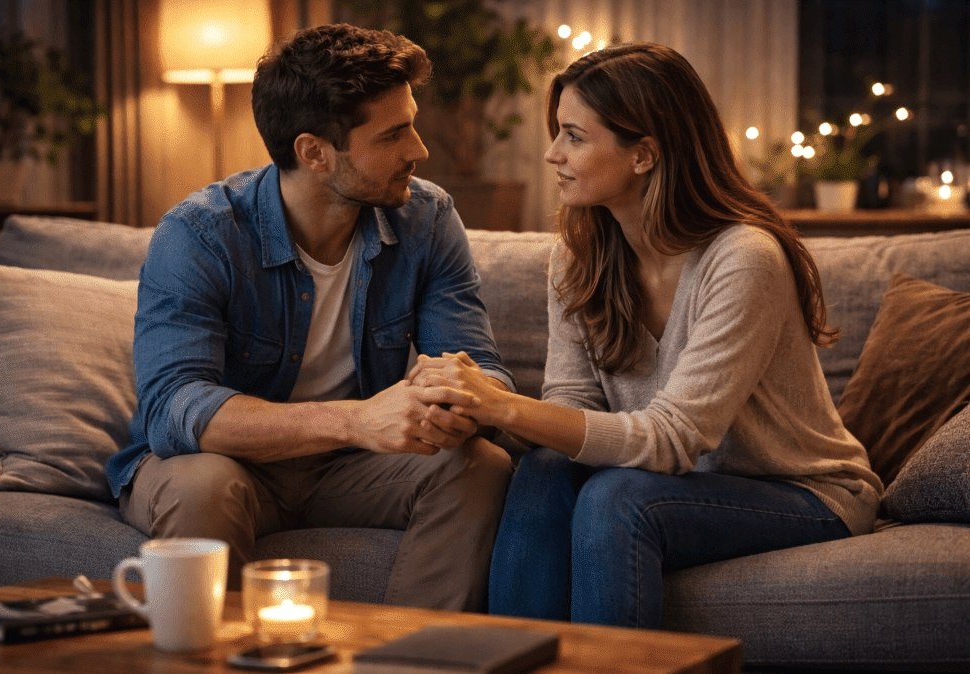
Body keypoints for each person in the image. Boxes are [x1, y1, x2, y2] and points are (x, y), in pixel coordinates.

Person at [408, 43, 884, 627]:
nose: (552, 154)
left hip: (802, 493)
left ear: (644, 155)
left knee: (617, 501)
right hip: (671, 482)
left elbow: (674, 439)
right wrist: (477, 406)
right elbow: (572, 404)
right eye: (557, 133)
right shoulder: (579, 253)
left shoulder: (743, 258)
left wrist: (502, 406)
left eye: (574, 136)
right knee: (543, 471)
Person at [104, 23, 516, 611]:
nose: (419, 151)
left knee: (478, 464)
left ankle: (413, 658)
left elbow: (483, 368)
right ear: (314, 152)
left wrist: (460, 403)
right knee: (205, 485)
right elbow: (176, 407)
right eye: (394, 133)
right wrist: (357, 420)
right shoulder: (200, 233)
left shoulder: (427, 219)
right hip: (227, 464)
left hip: (351, 471)